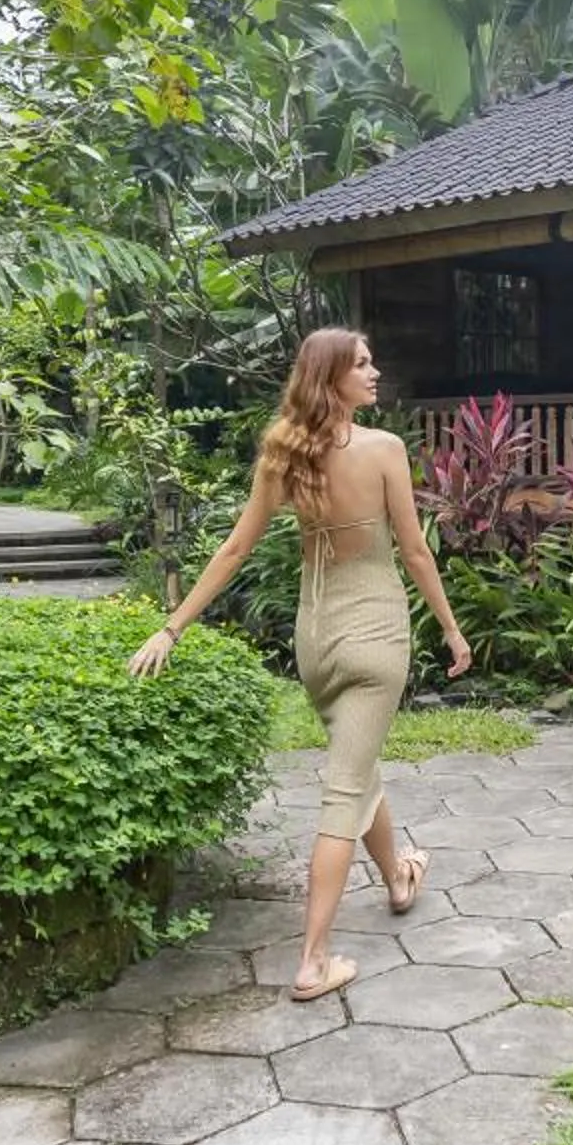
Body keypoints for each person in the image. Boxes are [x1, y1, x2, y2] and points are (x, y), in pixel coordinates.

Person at [126, 328, 471, 1001]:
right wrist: (453, 631)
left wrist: (173, 627)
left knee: (355, 763)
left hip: (314, 645)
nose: (374, 373)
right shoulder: (385, 451)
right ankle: (314, 961)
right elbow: (416, 553)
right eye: (362, 365)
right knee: (343, 791)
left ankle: (399, 877)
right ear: (332, 378)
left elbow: (232, 551)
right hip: (375, 640)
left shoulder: (285, 453)